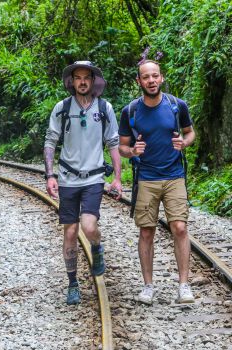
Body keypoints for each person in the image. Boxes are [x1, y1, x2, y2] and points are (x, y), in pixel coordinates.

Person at [44, 61, 122, 305]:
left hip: (94, 178)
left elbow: (113, 143)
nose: (82, 81)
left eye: (86, 77)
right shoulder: (62, 108)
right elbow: (50, 142)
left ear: (93, 80)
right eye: (77, 78)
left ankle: (96, 246)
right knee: (70, 231)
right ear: (72, 82)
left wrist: (118, 178)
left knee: (89, 227)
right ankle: (73, 283)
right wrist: (50, 175)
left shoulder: (104, 108)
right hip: (68, 178)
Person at [118, 60, 196, 305]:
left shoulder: (176, 105)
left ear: (161, 78)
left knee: (180, 228)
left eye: (155, 76)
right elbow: (122, 146)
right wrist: (132, 151)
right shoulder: (130, 111)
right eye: (146, 77)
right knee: (146, 232)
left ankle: (184, 285)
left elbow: (190, 132)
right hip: (146, 178)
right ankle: (148, 286)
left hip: (174, 175)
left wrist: (185, 143)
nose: (151, 81)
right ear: (139, 81)